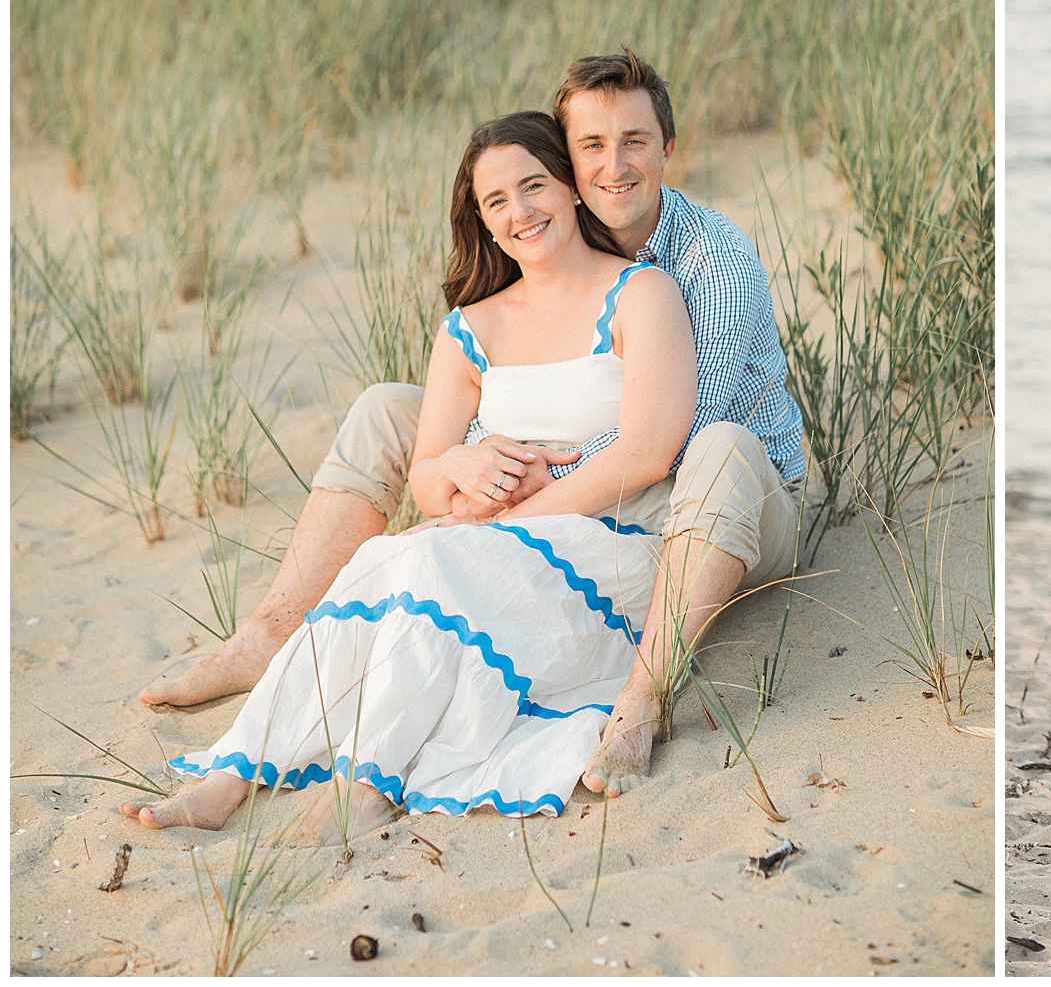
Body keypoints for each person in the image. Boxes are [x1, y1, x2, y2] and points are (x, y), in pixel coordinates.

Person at [140, 51, 807, 799]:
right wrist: (464, 464)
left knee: (715, 450)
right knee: (387, 408)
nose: (614, 166)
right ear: (569, 164)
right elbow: (504, 411)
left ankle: (642, 702)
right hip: (596, 478)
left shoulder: (707, 261)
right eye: (591, 146)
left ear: (667, 150)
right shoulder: (533, 270)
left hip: (731, 501)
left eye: (635, 143)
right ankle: (272, 631)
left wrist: (491, 502)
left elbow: (671, 445)